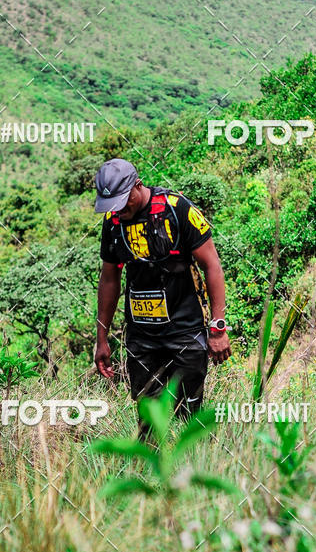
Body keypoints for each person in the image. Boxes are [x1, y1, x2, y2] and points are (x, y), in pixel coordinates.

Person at [93, 158, 231, 440]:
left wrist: (217, 328)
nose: (119, 210)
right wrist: (102, 338)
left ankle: (196, 470)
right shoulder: (113, 223)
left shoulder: (177, 209)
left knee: (190, 416)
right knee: (148, 420)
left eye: (123, 201)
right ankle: (150, 478)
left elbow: (212, 266)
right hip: (142, 336)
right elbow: (109, 279)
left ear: (137, 186)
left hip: (186, 329)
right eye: (112, 206)